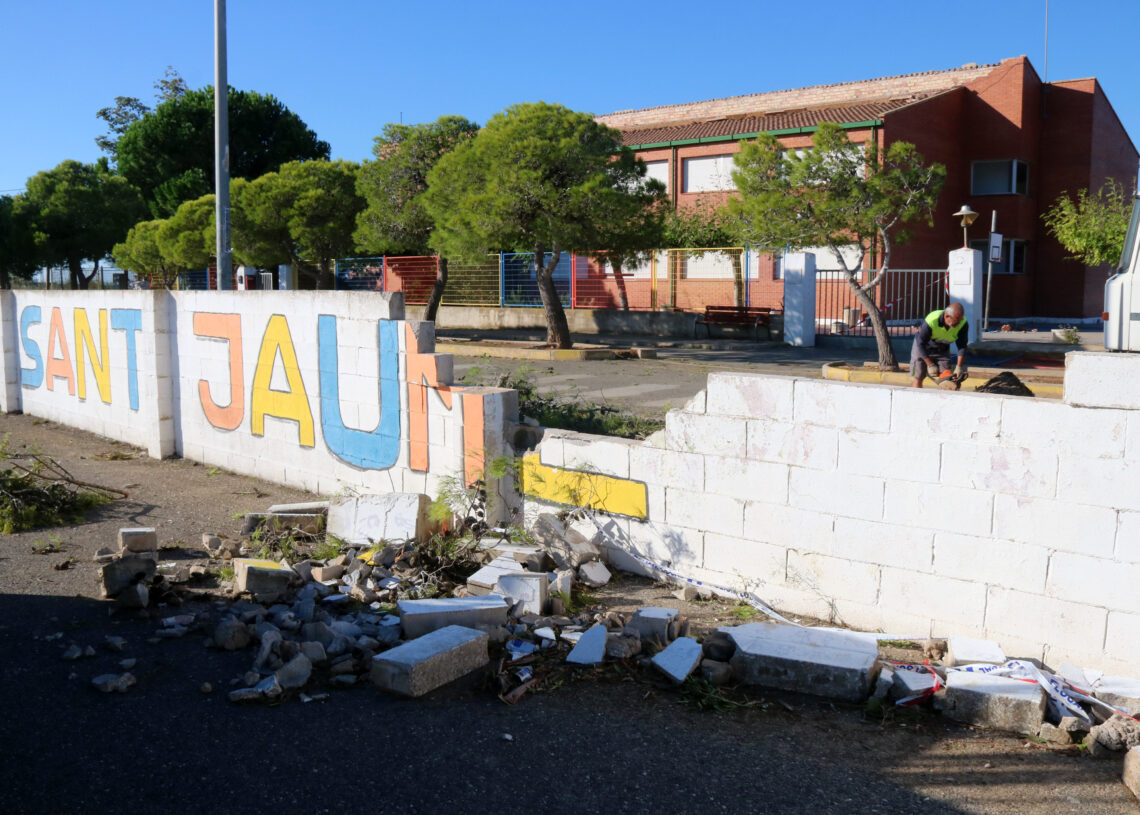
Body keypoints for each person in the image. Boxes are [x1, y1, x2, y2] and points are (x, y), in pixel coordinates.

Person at [911, 302, 968, 388]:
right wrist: (930, 364)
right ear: (946, 317)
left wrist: (959, 367)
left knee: (949, 378)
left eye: (960, 321)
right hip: (923, 347)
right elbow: (920, 344)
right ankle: (915, 395)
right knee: (919, 375)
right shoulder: (932, 320)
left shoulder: (963, 323)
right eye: (956, 321)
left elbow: (962, 346)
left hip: (942, 348)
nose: (958, 324)